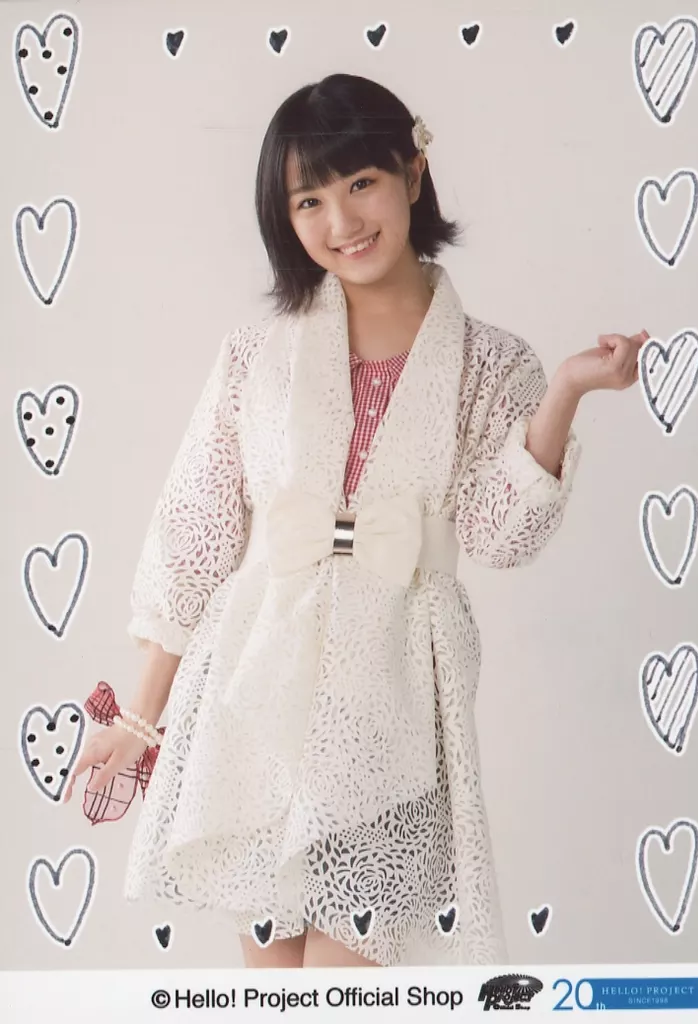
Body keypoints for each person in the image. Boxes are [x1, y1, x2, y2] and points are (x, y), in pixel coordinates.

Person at [64, 73, 647, 969]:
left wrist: (566, 392)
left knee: (346, 991)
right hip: (256, 705)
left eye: (361, 182)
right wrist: (139, 722)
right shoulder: (256, 355)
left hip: (395, 714)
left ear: (413, 173)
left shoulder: (492, 363)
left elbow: (500, 536)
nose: (341, 221)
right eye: (309, 200)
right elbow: (194, 531)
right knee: (274, 997)